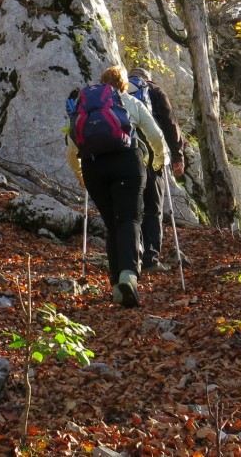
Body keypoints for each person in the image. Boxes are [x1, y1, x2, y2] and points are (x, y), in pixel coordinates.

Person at [66, 65, 169, 307]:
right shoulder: (130, 102)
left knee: (113, 225)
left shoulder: (86, 107)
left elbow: (72, 148)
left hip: (94, 169)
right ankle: (129, 276)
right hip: (127, 163)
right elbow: (155, 136)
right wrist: (157, 161)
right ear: (124, 85)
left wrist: (81, 175)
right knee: (129, 219)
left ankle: (116, 287)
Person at [127, 67, 185, 274]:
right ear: (147, 79)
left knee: (130, 210)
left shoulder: (117, 92)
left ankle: (130, 259)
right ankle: (150, 258)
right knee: (153, 207)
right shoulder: (154, 91)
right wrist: (177, 156)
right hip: (152, 156)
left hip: (126, 156)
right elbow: (170, 124)